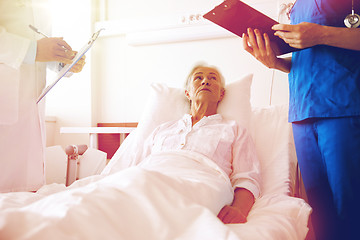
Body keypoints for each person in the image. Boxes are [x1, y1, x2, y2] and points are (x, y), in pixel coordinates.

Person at [242, 0, 360, 239]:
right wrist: (275, 62)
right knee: (321, 217)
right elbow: (308, 62)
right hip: (302, 112)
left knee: (350, 210)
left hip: (343, 106)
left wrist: (321, 34)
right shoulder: (291, 5)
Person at [139, 64, 261, 224]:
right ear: (187, 93)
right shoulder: (161, 130)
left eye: (213, 78)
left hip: (202, 183)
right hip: (151, 179)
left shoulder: (234, 130)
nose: (205, 82)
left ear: (221, 94)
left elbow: (247, 177)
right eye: (198, 78)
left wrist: (239, 209)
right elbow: (139, 166)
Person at [0, 0, 85, 193]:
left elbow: (42, 53)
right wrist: (35, 49)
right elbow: (34, 49)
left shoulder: (42, 7)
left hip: (31, 108)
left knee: (29, 189)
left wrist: (65, 62)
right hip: (5, 102)